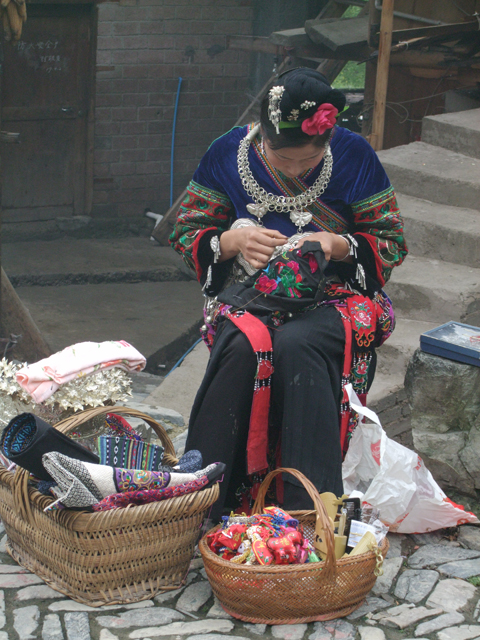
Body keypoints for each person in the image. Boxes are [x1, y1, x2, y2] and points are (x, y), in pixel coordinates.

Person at [169, 67, 408, 519]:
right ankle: (201, 499)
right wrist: (230, 242)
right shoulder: (227, 153)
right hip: (253, 293)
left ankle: (309, 510)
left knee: (298, 344)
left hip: (339, 295)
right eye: (285, 162)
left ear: (327, 139)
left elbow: (391, 243)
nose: (297, 170)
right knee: (243, 345)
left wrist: (338, 246)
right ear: (261, 137)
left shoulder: (353, 155)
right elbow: (187, 231)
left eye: (307, 162)